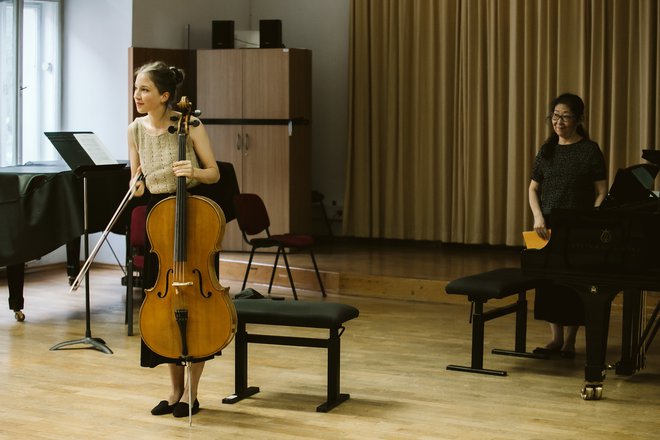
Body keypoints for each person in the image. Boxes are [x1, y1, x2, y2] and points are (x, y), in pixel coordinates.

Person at [128, 61, 220, 417]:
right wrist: (135, 186)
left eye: (145, 89)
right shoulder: (134, 130)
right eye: (136, 88)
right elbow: (137, 180)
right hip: (158, 219)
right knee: (164, 306)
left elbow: (213, 173)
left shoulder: (190, 125)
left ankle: (193, 393)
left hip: (192, 212)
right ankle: (174, 389)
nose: (138, 95)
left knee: (196, 304)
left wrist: (193, 170)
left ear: (165, 96)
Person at [528, 93, 608, 358]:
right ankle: (555, 338)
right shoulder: (547, 149)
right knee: (548, 281)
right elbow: (533, 188)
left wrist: (593, 219)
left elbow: (601, 190)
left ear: (579, 119)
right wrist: (538, 216)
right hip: (546, 225)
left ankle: (570, 341)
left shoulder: (589, 150)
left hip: (578, 227)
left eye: (566, 116)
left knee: (575, 284)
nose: (559, 121)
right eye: (555, 115)